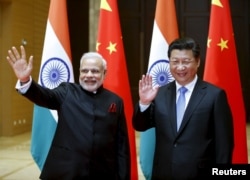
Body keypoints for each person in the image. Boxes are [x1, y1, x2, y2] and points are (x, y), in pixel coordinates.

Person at [6, 46, 131, 180]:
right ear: (79, 72)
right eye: (85, 71)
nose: (89, 75)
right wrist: (25, 80)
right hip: (66, 172)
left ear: (104, 73)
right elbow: (44, 96)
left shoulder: (115, 101)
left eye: (95, 71)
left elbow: (121, 146)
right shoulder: (67, 92)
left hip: (103, 173)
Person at [132, 37, 234, 179]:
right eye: (175, 62)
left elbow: (224, 146)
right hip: (163, 173)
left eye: (186, 61)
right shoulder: (160, 93)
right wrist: (144, 103)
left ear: (197, 62)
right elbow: (141, 125)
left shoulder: (215, 95)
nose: (180, 67)